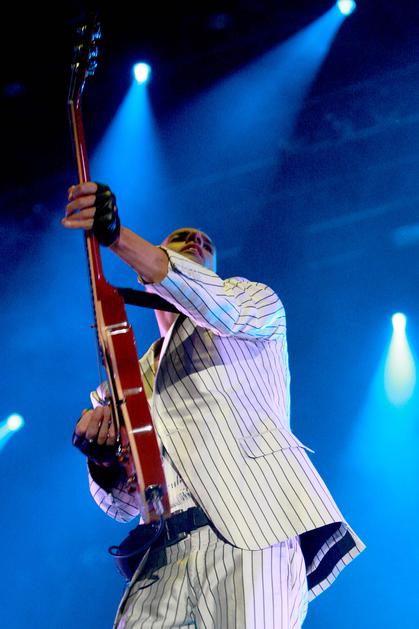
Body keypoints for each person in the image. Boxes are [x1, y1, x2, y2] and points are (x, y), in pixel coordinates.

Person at [63, 182, 365, 629]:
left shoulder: (252, 304)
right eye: (181, 242)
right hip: (162, 555)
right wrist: (103, 461)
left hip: (254, 533)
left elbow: (217, 304)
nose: (196, 245)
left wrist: (117, 237)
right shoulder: (124, 377)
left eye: (204, 248)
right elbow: (122, 505)